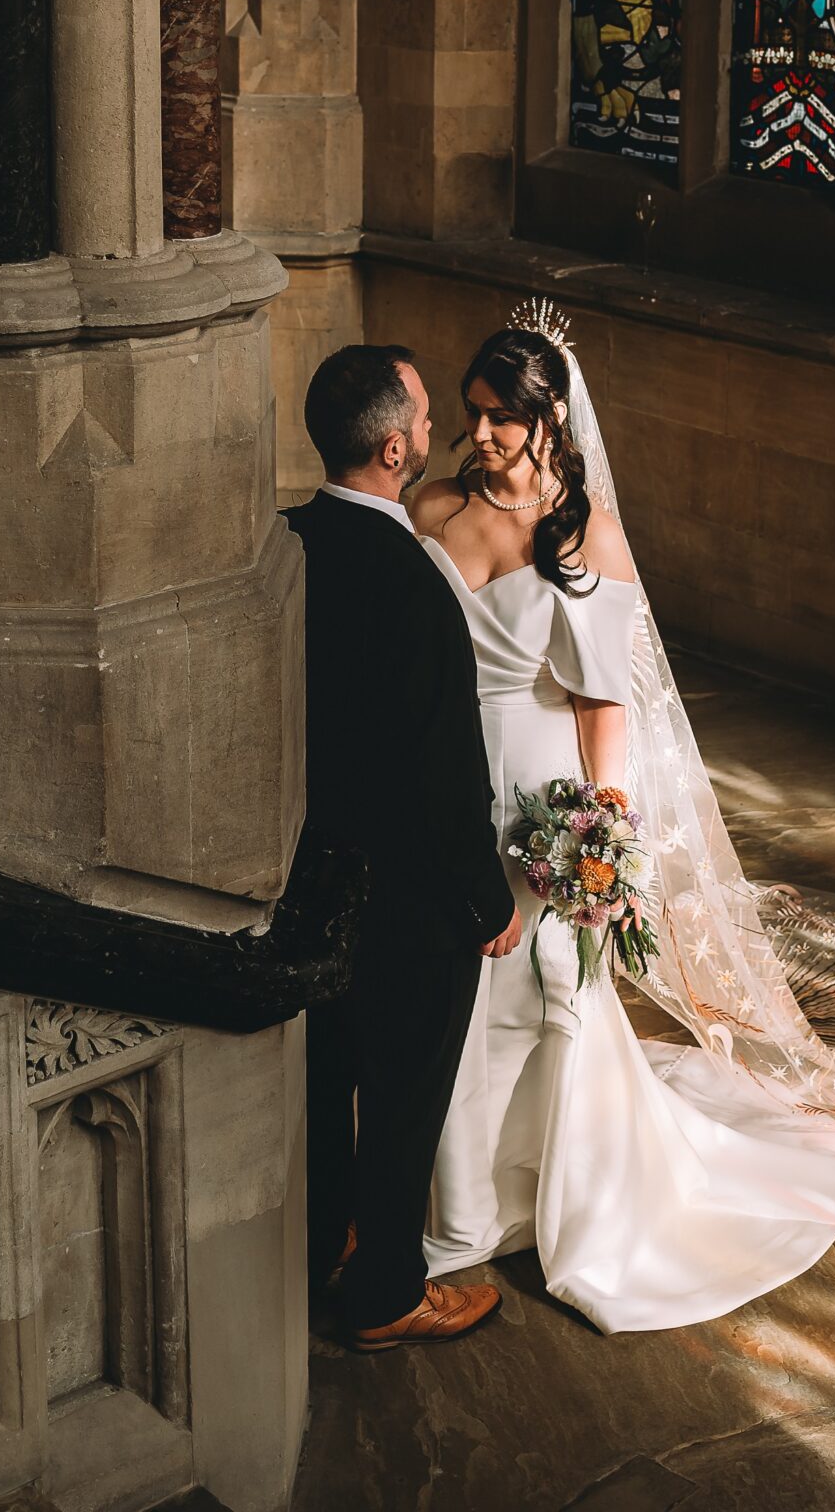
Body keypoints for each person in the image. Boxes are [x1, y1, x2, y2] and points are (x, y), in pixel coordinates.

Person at [410, 309, 835, 1335]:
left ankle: (515, 1201)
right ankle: (448, 1194)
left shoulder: (584, 535)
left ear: (551, 423)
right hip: (443, 774)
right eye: (472, 414)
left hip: (539, 796)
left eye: (500, 419)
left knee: (537, 998)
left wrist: (599, 840)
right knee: (443, 992)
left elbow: (604, 706)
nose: (478, 434)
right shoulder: (430, 505)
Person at [288, 343, 521, 1353]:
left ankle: (326, 1239)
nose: (436, 435)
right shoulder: (415, 585)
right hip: (407, 894)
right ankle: (385, 1293)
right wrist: (487, 901)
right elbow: (444, 772)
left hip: (308, 871)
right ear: (393, 449)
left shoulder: (288, 541)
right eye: (425, 421)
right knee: (402, 1097)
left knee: (326, 1075)